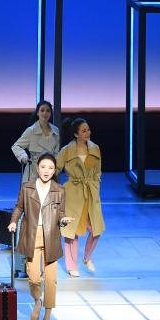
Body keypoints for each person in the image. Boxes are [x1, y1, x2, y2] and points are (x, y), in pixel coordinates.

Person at [7, 153, 73, 320]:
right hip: (32, 235)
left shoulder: (59, 190)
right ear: (37, 168)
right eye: (43, 167)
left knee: (51, 280)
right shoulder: (27, 187)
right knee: (34, 278)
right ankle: (38, 300)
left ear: (54, 171)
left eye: (50, 168)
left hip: (51, 236)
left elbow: (60, 214)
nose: (46, 171)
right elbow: (19, 207)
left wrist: (63, 220)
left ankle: (47, 318)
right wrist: (13, 221)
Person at [57, 117, 105, 277]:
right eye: (84, 130)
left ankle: (87, 257)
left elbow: (98, 171)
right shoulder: (66, 151)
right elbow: (55, 168)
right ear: (76, 134)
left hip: (90, 192)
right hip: (73, 192)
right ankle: (71, 266)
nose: (88, 132)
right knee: (72, 231)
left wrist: (96, 184)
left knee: (96, 229)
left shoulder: (95, 148)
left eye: (88, 129)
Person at [11, 100, 61, 184]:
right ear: (37, 113)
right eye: (42, 110)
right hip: (33, 172)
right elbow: (16, 146)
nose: (45, 113)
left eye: (48, 111)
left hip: (49, 173)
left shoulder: (55, 131)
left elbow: (56, 152)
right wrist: (23, 156)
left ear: (51, 114)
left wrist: (56, 169)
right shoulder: (31, 130)